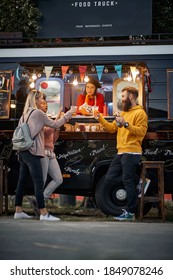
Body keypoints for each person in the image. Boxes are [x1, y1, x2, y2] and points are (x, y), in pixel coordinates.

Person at [14, 89, 76, 221]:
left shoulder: (25, 114)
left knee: (22, 182)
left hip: (22, 151)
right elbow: (54, 124)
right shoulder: (38, 113)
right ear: (35, 100)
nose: (43, 100)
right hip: (33, 151)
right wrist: (69, 113)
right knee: (39, 183)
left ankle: (18, 210)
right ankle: (43, 213)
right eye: (41, 98)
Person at [94, 86, 148, 221]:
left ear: (131, 97)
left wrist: (126, 124)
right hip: (121, 151)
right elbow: (112, 129)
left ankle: (129, 212)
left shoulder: (140, 113)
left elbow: (141, 132)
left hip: (132, 152)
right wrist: (99, 118)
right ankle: (140, 183)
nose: (121, 100)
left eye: (123, 97)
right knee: (109, 178)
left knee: (127, 180)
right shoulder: (123, 113)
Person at [38, 98, 63, 200]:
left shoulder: (46, 118)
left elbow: (53, 138)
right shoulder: (38, 117)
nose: (46, 105)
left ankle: (43, 198)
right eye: (43, 103)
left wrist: (58, 127)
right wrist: (58, 118)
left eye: (46, 103)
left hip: (50, 152)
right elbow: (47, 132)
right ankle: (41, 204)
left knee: (58, 179)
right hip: (42, 151)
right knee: (42, 180)